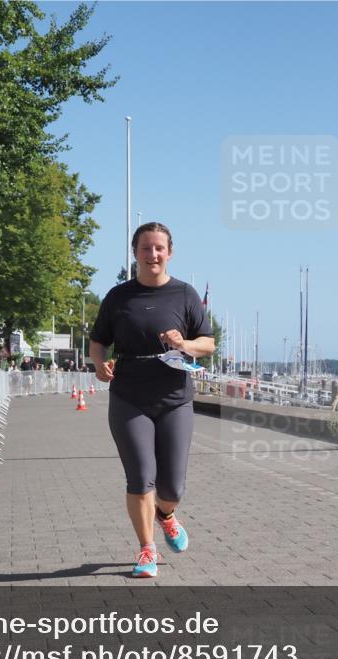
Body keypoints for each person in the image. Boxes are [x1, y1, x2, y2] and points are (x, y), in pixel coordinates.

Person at [89, 222, 215, 578]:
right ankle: (147, 549)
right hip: (129, 397)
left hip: (174, 398)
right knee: (140, 477)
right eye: (146, 248)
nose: (153, 254)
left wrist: (185, 344)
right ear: (135, 253)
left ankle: (167, 514)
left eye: (159, 248)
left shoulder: (185, 295)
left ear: (170, 252)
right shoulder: (118, 297)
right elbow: (98, 341)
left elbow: (208, 343)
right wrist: (99, 364)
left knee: (172, 486)